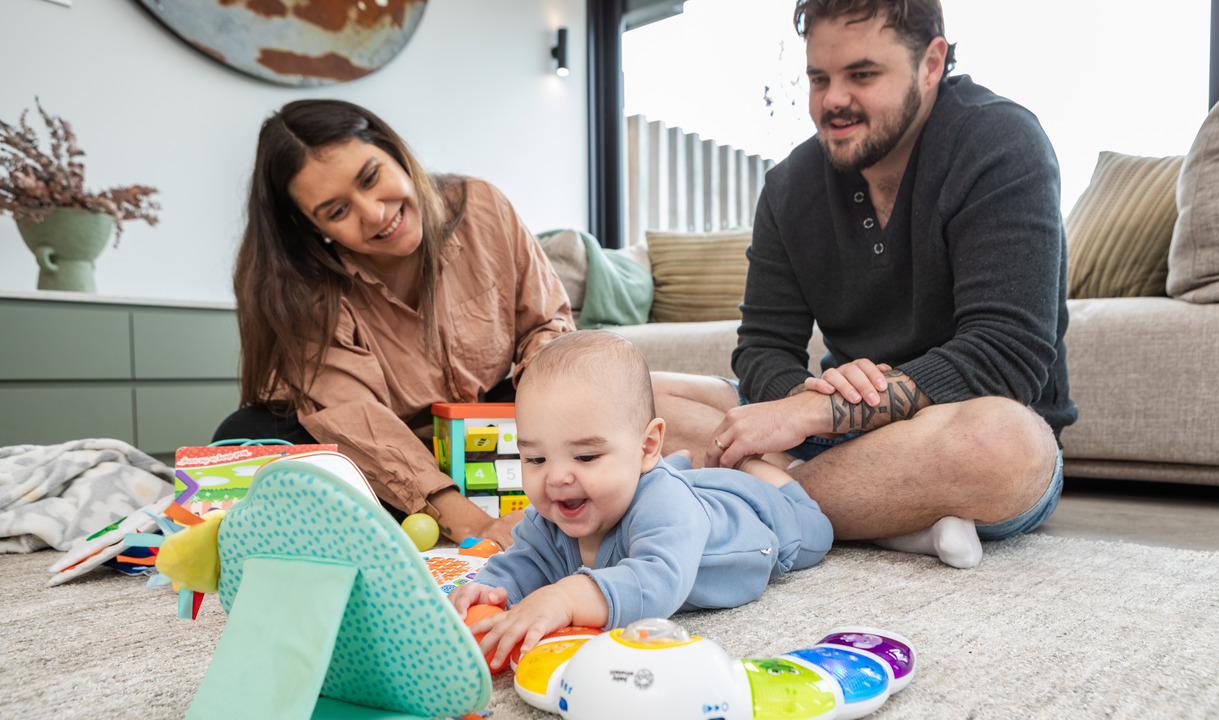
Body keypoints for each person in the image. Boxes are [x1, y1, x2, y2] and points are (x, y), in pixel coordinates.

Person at [651, 0, 1076, 569]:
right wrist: (804, 402)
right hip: (837, 431)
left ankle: (765, 497)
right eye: (819, 78)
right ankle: (868, 512)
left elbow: (1005, 356)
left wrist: (813, 414)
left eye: (863, 75)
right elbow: (762, 347)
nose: (833, 101)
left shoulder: (1000, 143)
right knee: (627, 388)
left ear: (931, 64)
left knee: (1005, 443)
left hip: (943, 430)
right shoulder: (789, 185)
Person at [215, 99, 574, 549]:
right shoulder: (301, 288)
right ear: (310, 226)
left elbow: (547, 326)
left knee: (607, 389)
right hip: (367, 443)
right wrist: (473, 524)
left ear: (394, 152)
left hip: (470, 426)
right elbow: (355, 421)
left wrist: (564, 416)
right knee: (241, 441)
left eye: (371, 178)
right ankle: (414, 498)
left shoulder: (482, 206)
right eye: (337, 211)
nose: (375, 213)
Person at [449, 330, 833, 669]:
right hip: (679, 486)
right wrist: (489, 589)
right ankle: (681, 466)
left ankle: (752, 466)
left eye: (585, 457)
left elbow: (658, 580)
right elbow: (524, 563)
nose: (557, 477)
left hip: (755, 515)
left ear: (647, 445)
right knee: (680, 481)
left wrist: (566, 598)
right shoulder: (547, 516)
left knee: (818, 532)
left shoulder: (667, 506)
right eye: (535, 459)